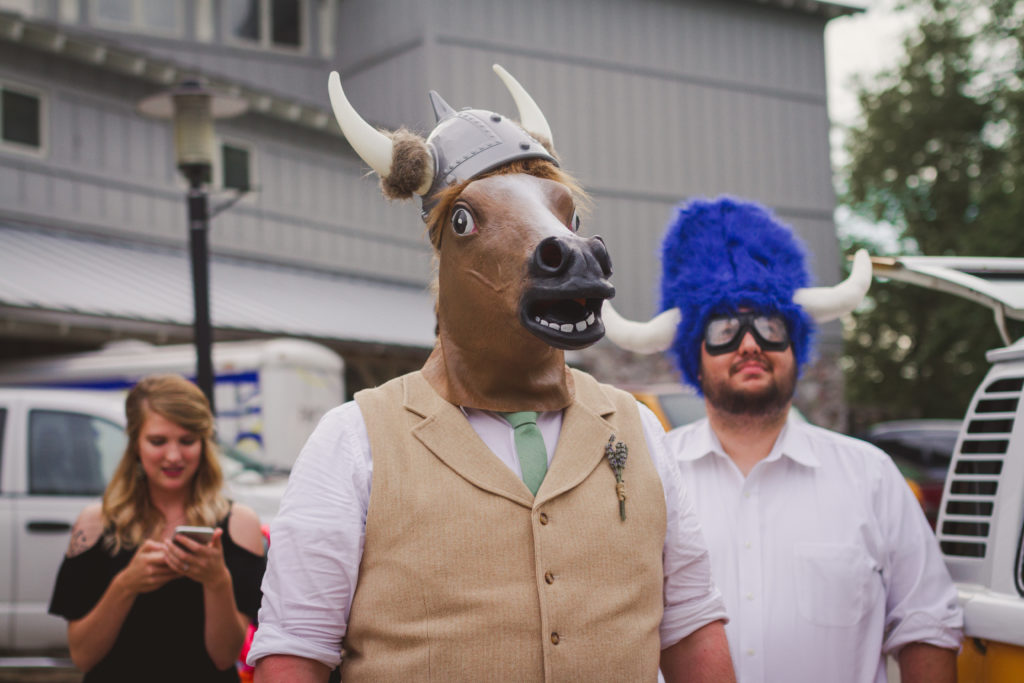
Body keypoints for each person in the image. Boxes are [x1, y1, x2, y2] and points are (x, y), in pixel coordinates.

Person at [249, 68, 734, 682]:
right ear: (446, 256)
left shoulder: (637, 429)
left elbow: (691, 625)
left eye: (564, 221)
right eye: (468, 220)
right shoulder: (354, 441)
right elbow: (296, 652)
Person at [605, 196, 963, 682]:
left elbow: (927, 625)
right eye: (724, 328)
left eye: (770, 326)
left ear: (796, 345)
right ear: (695, 355)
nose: (750, 344)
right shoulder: (651, 474)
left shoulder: (871, 475)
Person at [49, 374, 267, 683]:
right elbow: (83, 656)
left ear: (204, 445)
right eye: (158, 441)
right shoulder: (96, 523)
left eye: (188, 441)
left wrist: (217, 582)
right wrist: (126, 584)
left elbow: (224, 656)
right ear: (135, 443)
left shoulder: (237, 524)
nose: (174, 456)